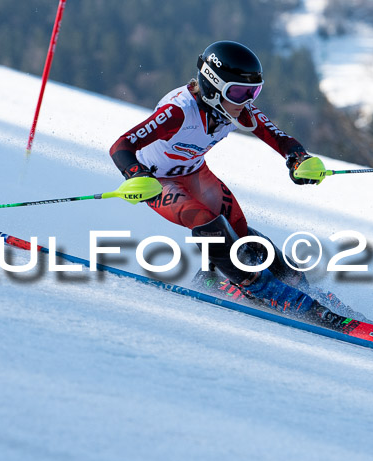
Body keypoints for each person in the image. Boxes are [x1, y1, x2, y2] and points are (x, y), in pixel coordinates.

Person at [109, 40, 332, 321]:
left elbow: (278, 137)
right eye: (239, 92)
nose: (246, 101)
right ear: (213, 87)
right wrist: (134, 174)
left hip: (195, 173)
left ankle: (293, 283)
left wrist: (299, 158)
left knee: (239, 229)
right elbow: (121, 145)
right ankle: (259, 286)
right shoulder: (179, 112)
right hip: (156, 181)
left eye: (254, 92)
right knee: (205, 221)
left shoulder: (235, 109)